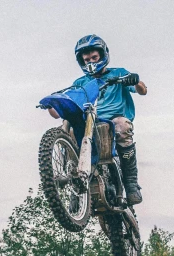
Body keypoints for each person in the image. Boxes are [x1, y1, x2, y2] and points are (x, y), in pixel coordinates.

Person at [48, 34, 147, 205]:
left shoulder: (118, 73)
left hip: (113, 120)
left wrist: (135, 80)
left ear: (103, 55)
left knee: (122, 126)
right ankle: (74, 182)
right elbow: (58, 112)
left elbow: (143, 90)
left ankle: (131, 184)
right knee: (67, 126)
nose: (91, 62)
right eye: (86, 60)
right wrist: (53, 106)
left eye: (94, 57)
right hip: (89, 122)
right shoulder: (80, 82)